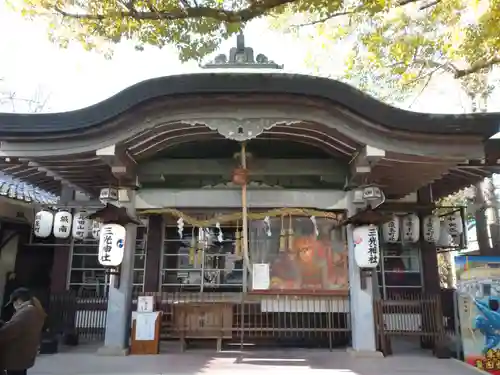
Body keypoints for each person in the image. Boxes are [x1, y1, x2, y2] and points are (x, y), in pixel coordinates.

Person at [0, 288, 46, 375]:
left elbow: (10, 330)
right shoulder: (34, 310)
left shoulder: (26, 312)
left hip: (16, 356)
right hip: (24, 354)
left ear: (19, 300)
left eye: (13, 303)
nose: (13, 306)